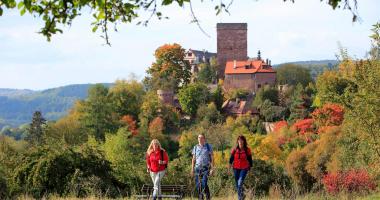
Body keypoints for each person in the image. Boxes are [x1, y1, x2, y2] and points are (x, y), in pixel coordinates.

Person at [229, 135, 253, 200]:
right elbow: (231, 159)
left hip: (244, 168)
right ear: (237, 141)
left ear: (244, 141)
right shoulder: (234, 149)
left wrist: (250, 169)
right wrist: (229, 168)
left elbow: (250, 160)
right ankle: (242, 195)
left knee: (240, 183)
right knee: (237, 185)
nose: (240, 141)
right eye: (239, 140)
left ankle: (240, 198)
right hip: (235, 168)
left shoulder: (247, 150)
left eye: (242, 140)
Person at [191, 134, 214, 200]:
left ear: (204, 139)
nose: (200, 139)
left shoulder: (208, 146)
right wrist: (192, 169)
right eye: (199, 137)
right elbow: (193, 159)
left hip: (206, 168)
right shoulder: (195, 147)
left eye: (201, 138)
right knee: (198, 185)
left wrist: (212, 169)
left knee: (204, 182)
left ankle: (207, 197)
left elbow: (212, 158)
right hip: (197, 168)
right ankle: (201, 198)